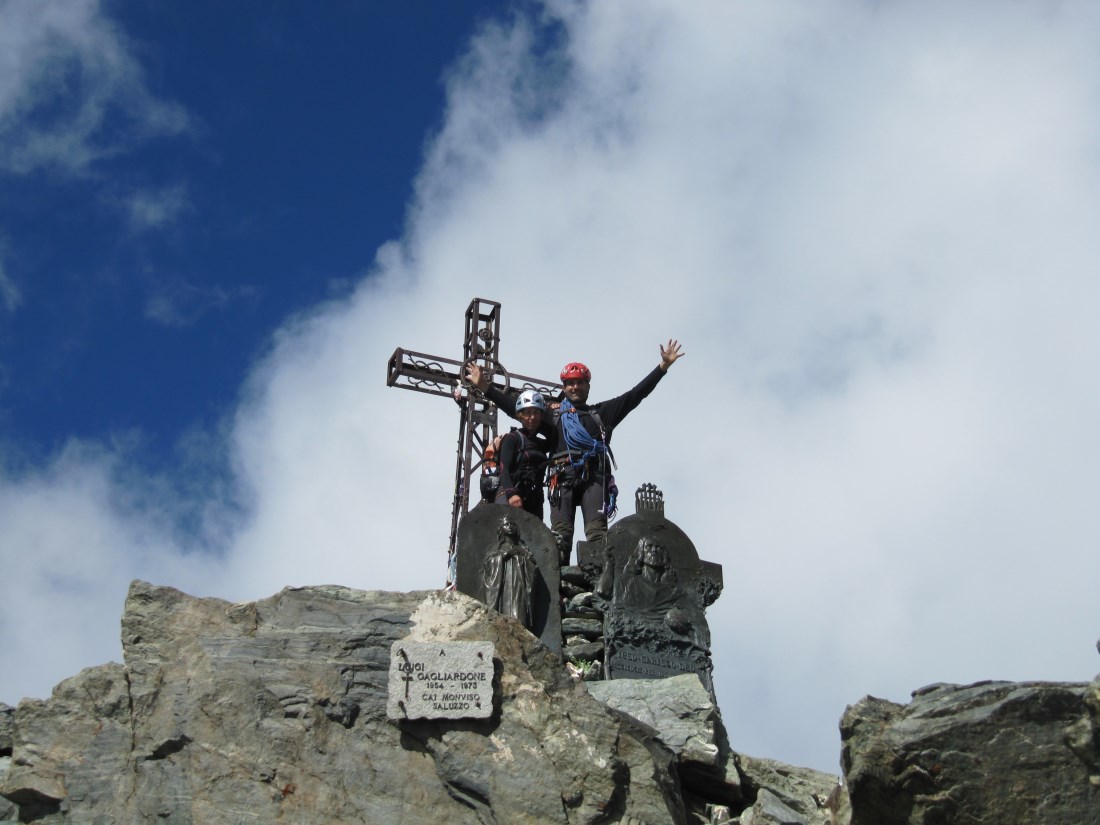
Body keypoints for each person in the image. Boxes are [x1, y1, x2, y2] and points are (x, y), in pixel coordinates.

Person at [469, 339, 684, 564]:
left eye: (580, 382)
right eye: (570, 383)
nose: (575, 387)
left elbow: (635, 396)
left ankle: (596, 584)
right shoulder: (552, 417)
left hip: (595, 477)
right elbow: (518, 409)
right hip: (561, 478)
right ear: (564, 387)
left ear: (588, 386)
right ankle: (558, 589)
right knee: (560, 536)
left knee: (597, 535)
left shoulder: (602, 413)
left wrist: (662, 367)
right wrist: (485, 387)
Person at [495, 389, 552, 519]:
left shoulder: (541, 445)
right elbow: (504, 469)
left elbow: (554, 434)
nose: (532, 417)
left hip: (534, 501)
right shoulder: (512, 438)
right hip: (511, 495)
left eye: (536, 412)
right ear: (520, 415)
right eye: (528, 413)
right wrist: (511, 494)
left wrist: (552, 410)